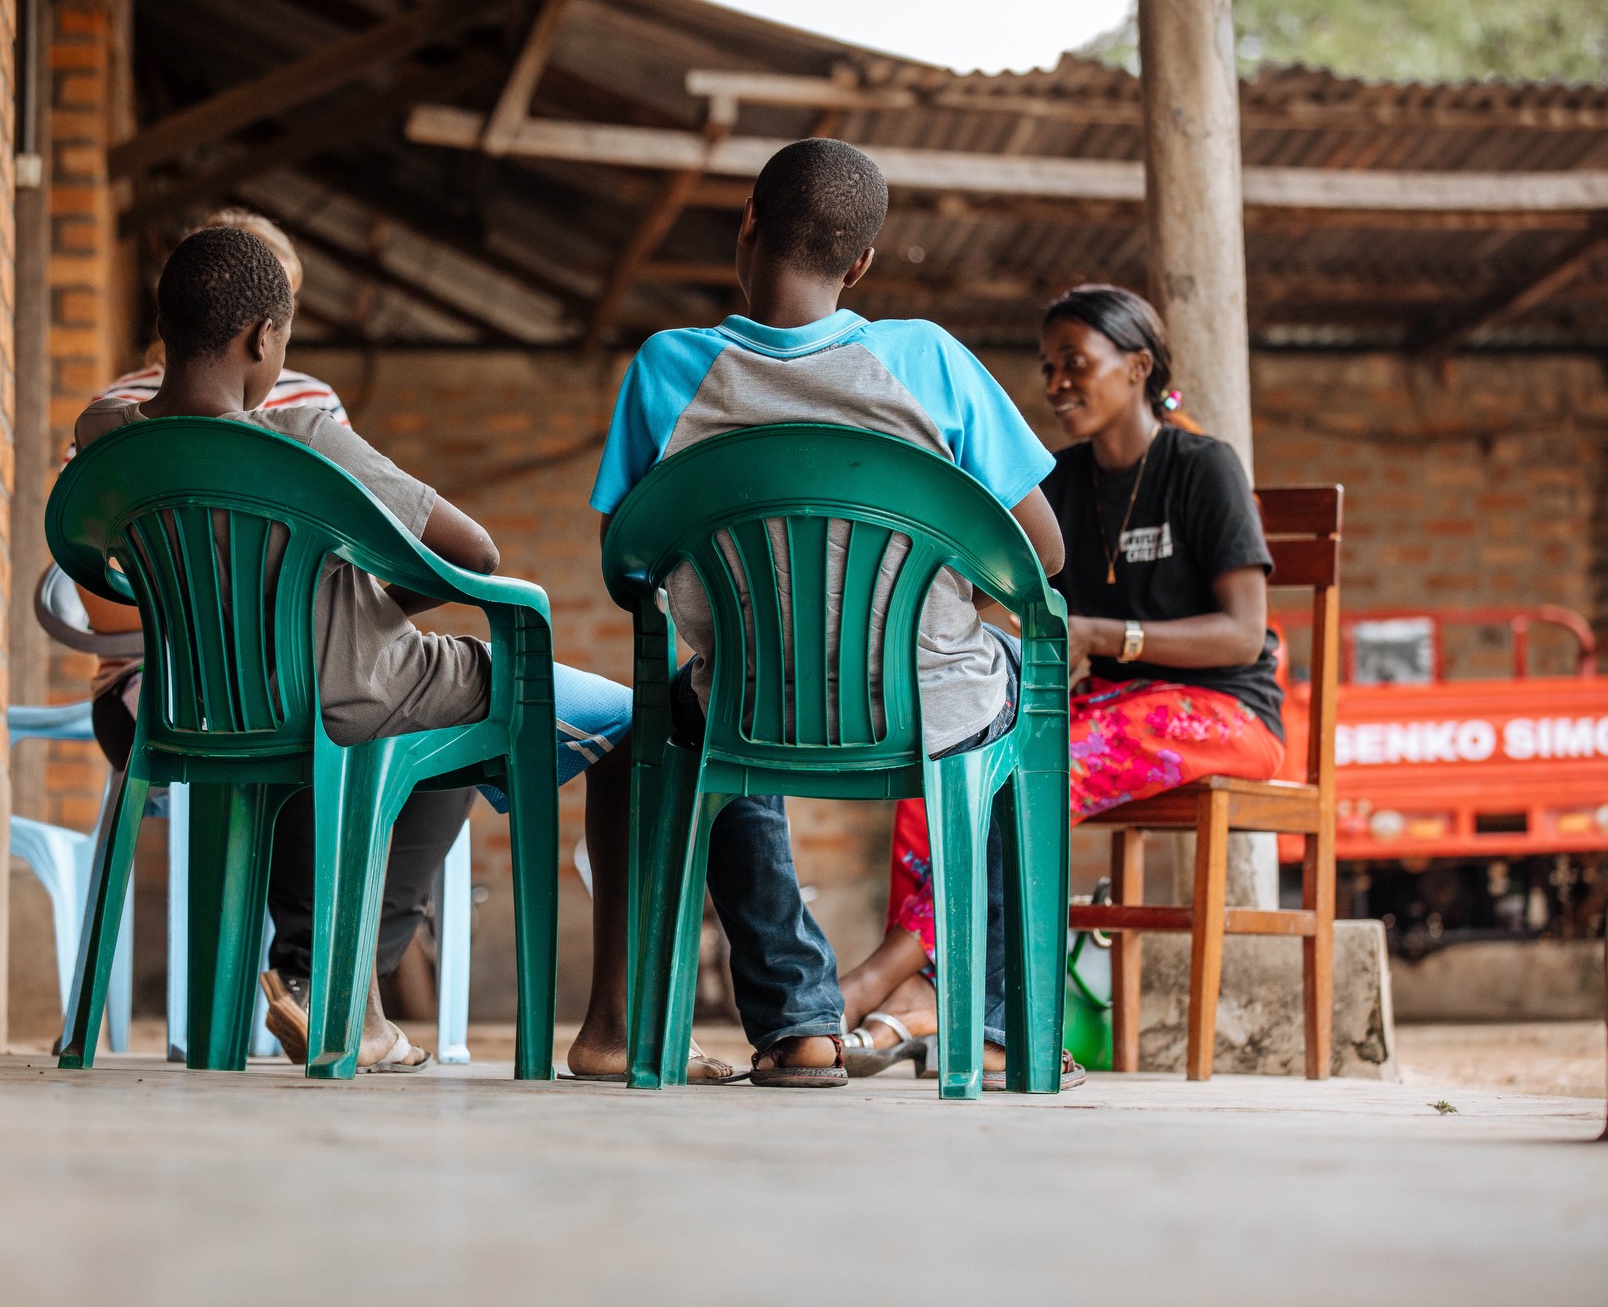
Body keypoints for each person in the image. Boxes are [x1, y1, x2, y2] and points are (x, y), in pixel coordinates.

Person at [73, 226, 719, 1080]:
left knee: (409, 759)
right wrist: (363, 604)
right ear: (263, 337)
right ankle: (612, 1028)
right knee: (638, 724)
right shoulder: (303, 436)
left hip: (202, 702)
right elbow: (475, 553)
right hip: (364, 691)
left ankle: (355, 1005)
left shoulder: (104, 434)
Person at [590, 139, 1065, 1086]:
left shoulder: (667, 370)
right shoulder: (929, 361)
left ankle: (799, 1023)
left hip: (751, 702)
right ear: (861, 267)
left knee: (699, 715)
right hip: (934, 706)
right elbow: (1042, 556)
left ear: (747, 227)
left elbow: (624, 569)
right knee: (1022, 695)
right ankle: (1005, 1027)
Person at [840, 283, 1285, 1084]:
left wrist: (1108, 635)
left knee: (1037, 772)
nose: (1056, 384)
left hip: (1221, 709)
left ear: (1139, 367)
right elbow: (996, 592)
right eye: (1048, 367)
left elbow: (1245, 631)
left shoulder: (1203, 466)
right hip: (1104, 707)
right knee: (947, 756)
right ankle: (933, 997)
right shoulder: (1061, 483)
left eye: (1075, 363)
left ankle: (879, 981)